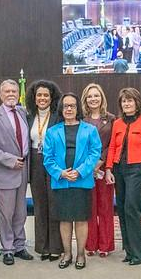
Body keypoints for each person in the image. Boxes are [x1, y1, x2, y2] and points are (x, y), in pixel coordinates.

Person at [43, 94, 102, 269]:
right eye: (66, 106)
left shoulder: (90, 130)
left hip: (82, 181)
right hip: (62, 181)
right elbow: (47, 158)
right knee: (65, 219)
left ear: (78, 108)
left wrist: (80, 171)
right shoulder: (52, 131)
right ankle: (67, 253)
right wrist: (61, 173)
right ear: (61, 109)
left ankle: (81, 254)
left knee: (81, 219)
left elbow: (95, 152)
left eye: (72, 106)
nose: (69, 109)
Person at [0, 80, 34, 265]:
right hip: (5, 171)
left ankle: (20, 246)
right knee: (6, 213)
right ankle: (8, 249)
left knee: (21, 212)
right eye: (7, 91)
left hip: (23, 171)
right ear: (1, 94)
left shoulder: (22, 112)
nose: (11, 94)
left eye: (14, 91)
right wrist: (10, 160)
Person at [105, 88, 141, 266]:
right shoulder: (117, 123)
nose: (126, 103)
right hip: (119, 169)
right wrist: (108, 168)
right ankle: (129, 251)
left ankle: (139, 253)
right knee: (121, 209)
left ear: (137, 102)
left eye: (130, 100)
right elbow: (112, 147)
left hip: (137, 169)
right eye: (124, 101)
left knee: (131, 209)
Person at [26, 79, 63, 261]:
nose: (42, 98)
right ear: (34, 97)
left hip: (54, 160)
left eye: (46, 95)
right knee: (40, 204)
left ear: (52, 97)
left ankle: (56, 247)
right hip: (35, 160)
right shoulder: (29, 116)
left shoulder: (58, 116)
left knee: (54, 202)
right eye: (39, 95)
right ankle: (43, 247)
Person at [82, 83, 116, 257]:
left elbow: (113, 144)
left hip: (105, 169)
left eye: (96, 95)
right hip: (86, 170)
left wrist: (101, 161)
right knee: (89, 208)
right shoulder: (81, 120)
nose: (93, 99)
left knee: (105, 208)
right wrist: (90, 165)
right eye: (90, 96)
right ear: (85, 100)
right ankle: (90, 245)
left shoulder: (111, 119)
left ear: (102, 98)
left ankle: (105, 245)